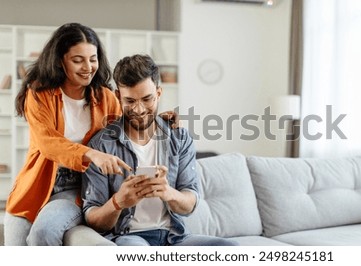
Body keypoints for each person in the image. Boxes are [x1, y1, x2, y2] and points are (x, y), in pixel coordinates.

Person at [4, 23, 177, 246]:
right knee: (14, 247)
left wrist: (158, 118)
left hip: (79, 187)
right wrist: (92, 154)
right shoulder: (39, 93)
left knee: (43, 232)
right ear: (60, 61)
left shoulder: (104, 97)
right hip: (37, 182)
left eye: (92, 59)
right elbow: (47, 143)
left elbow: (128, 124)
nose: (88, 67)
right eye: (78, 60)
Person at [82, 54, 238, 246]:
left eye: (147, 99)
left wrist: (168, 192)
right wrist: (118, 202)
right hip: (129, 237)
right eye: (130, 101)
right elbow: (93, 219)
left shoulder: (179, 138)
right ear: (118, 97)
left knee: (230, 249)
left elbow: (190, 202)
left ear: (159, 93)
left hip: (175, 237)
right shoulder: (101, 146)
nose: (139, 110)